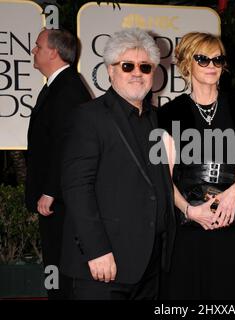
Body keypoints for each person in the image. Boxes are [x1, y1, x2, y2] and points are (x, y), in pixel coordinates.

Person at [60, 28, 175, 300]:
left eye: (145, 67)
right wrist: (96, 250)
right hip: (104, 265)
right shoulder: (89, 117)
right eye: (127, 65)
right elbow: (77, 187)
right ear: (110, 71)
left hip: (151, 265)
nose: (138, 73)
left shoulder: (158, 120)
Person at [157, 32, 235, 299]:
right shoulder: (170, 113)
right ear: (187, 62)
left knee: (226, 292)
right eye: (203, 59)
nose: (212, 65)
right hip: (188, 223)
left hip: (230, 218)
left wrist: (234, 192)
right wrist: (191, 211)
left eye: (218, 59)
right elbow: (162, 177)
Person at [25, 28, 91, 299]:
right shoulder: (59, 86)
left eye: (38, 45)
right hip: (58, 199)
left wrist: (51, 191)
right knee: (56, 264)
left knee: (61, 266)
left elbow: (67, 146)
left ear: (53, 51)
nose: (33, 50)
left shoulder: (67, 89)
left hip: (60, 200)